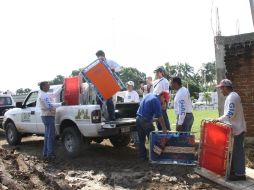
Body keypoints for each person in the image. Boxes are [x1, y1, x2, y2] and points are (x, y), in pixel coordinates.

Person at [215, 79, 247, 181]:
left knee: (237, 152)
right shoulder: (232, 96)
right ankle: (235, 170)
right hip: (236, 128)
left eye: (221, 88)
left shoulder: (232, 97)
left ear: (225, 87)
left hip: (238, 129)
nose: (221, 91)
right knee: (235, 151)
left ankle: (240, 174)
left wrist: (218, 119)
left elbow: (230, 114)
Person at [136, 92, 168, 161]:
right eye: (164, 100)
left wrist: (152, 119)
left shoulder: (149, 95)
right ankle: (155, 157)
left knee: (141, 140)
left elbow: (145, 111)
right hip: (145, 121)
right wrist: (164, 128)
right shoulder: (156, 101)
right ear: (162, 96)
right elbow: (160, 116)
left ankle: (143, 157)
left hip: (138, 119)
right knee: (153, 139)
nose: (164, 102)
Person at [38, 81, 65, 161]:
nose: (49, 86)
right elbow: (49, 106)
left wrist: (61, 87)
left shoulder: (43, 94)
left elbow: (53, 95)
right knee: (50, 136)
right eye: (47, 85)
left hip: (46, 116)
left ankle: (46, 153)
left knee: (47, 136)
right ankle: (50, 154)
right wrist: (61, 104)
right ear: (43, 86)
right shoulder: (43, 95)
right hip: (48, 116)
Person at [96, 50, 121, 121]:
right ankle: (98, 117)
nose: (99, 58)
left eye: (99, 56)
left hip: (108, 84)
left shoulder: (110, 62)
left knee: (109, 101)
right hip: (100, 84)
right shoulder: (97, 64)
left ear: (103, 55)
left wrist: (113, 69)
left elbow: (119, 68)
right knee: (99, 101)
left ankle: (112, 117)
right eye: (98, 57)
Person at [153, 66, 170, 130]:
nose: (156, 73)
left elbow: (166, 92)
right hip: (155, 100)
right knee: (157, 118)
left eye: (158, 72)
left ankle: (167, 131)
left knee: (163, 118)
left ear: (161, 72)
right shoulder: (155, 81)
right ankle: (160, 133)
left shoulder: (165, 80)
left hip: (161, 100)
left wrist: (164, 102)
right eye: (156, 72)